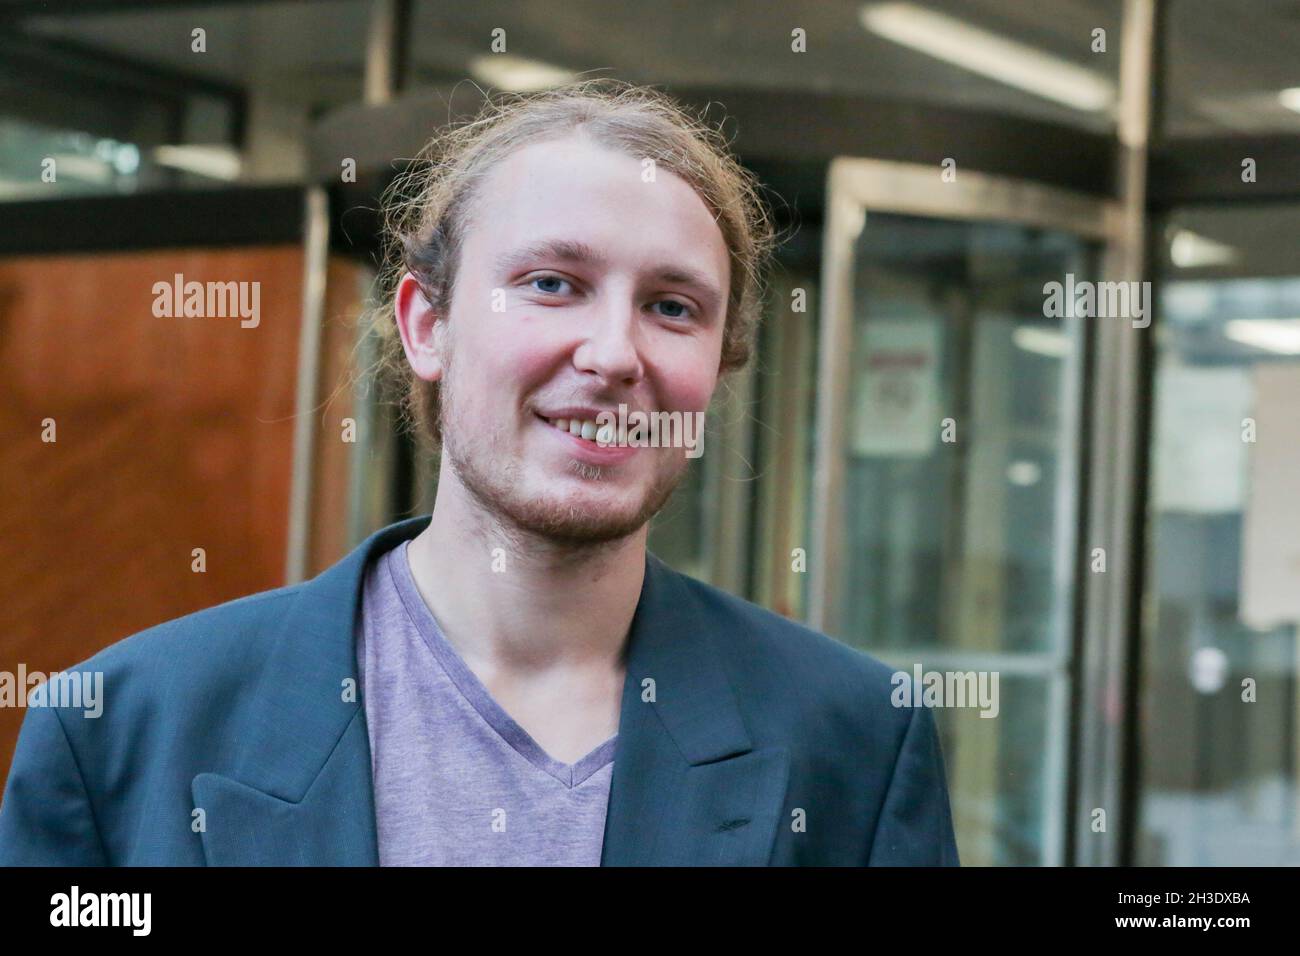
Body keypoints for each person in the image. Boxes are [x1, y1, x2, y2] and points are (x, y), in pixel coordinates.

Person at [0, 79, 958, 866]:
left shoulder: (854, 747)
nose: (614, 353)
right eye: (552, 284)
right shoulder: (124, 732)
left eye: (673, 306)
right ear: (427, 326)